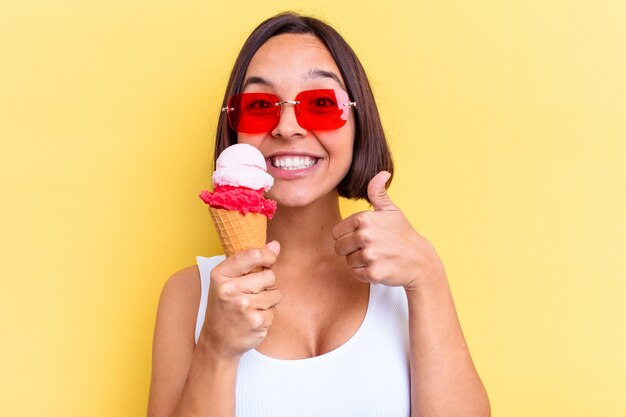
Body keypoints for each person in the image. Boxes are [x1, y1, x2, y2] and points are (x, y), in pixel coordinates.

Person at [147, 12, 490, 417]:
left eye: (321, 103)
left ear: (359, 122)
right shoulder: (191, 295)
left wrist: (428, 276)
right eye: (260, 104)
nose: (287, 126)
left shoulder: (407, 281)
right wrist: (216, 350)